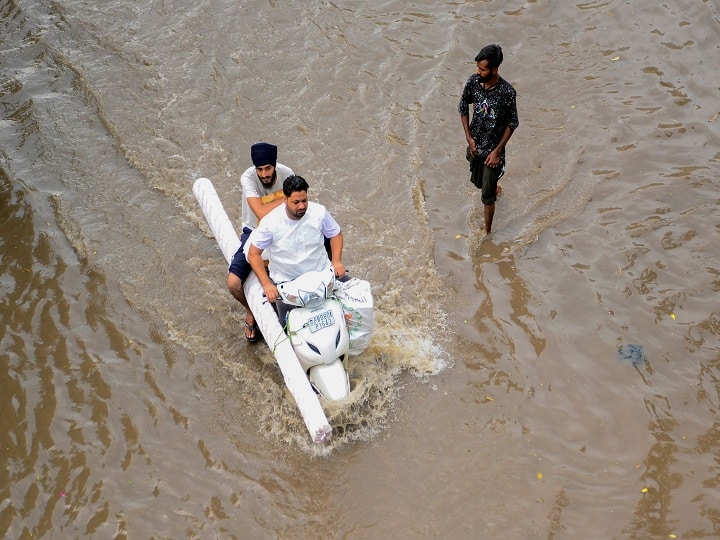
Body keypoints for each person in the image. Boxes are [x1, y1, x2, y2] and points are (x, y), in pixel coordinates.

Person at [245, 174, 345, 325]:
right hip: (288, 285)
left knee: (354, 307)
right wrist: (267, 285)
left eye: (304, 201)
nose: (302, 206)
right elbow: (254, 254)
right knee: (285, 327)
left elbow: (335, 233)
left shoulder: (319, 212)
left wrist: (336, 261)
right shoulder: (270, 223)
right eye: (296, 202)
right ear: (285, 200)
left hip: (321, 276)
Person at [227, 142, 295, 342]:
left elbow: (296, 205)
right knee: (233, 283)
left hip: (280, 227)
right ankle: (251, 312)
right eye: (260, 169)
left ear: (275, 165)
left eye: (268, 168)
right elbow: (260, 213)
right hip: (254, 230)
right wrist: (286, 197)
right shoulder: (248, 178)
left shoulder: (287, 173)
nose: (264, 174)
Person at [458, 43, 519, 234]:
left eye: (482, 69)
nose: (478, 72)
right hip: (476, 146)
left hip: (493, 152)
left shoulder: (507, 93)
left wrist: (497, 151)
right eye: (477, 67)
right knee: (478, 183)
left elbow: (512, 123)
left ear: (495, 69)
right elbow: (463, 109)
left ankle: (487, 233)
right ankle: (495, 188)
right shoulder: (473, 83)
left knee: (486, 197)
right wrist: (469, 137)